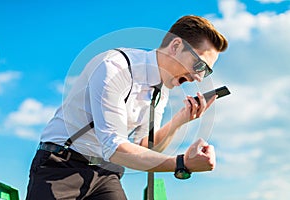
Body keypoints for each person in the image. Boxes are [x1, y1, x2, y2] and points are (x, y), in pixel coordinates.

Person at [26, 15, 228, 200]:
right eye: (199, 65)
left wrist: (180, 120)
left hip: (105, 173)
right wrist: (182, 163)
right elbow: (114, 146)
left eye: (206, 72)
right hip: (61, 165)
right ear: (176, 46)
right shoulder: (114, 67)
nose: (199, 77)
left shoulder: (160, 90)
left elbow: (144, 147)